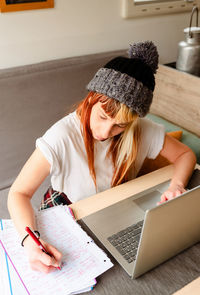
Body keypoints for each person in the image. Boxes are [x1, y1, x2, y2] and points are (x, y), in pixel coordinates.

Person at [7, 41, 196, 274]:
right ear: (91, 99)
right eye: (103, 116)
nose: (106, 133)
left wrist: (176, 185)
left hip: (114, 210)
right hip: (69, 209)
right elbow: (18, 193)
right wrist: (30, 242)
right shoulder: (61, 137)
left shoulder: (141, 131)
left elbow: (186, 154)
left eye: (120, 126)